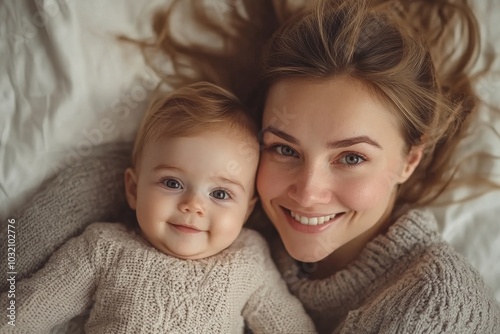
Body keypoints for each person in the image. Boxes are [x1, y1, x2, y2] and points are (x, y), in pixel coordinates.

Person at [145, 0, 500, 332]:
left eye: (351, 158)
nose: (308, 193)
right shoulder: (234, 214)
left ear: (409, 160)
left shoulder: (439, 305)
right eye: (284, 149)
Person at [0, 82, 316, 333]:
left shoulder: (249, 260)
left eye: (220, 193)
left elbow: (289, 325)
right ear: (134, 189)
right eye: (173, 183)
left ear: (246, 212)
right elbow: (28, 310)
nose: (193, 205)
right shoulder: (104, 249)